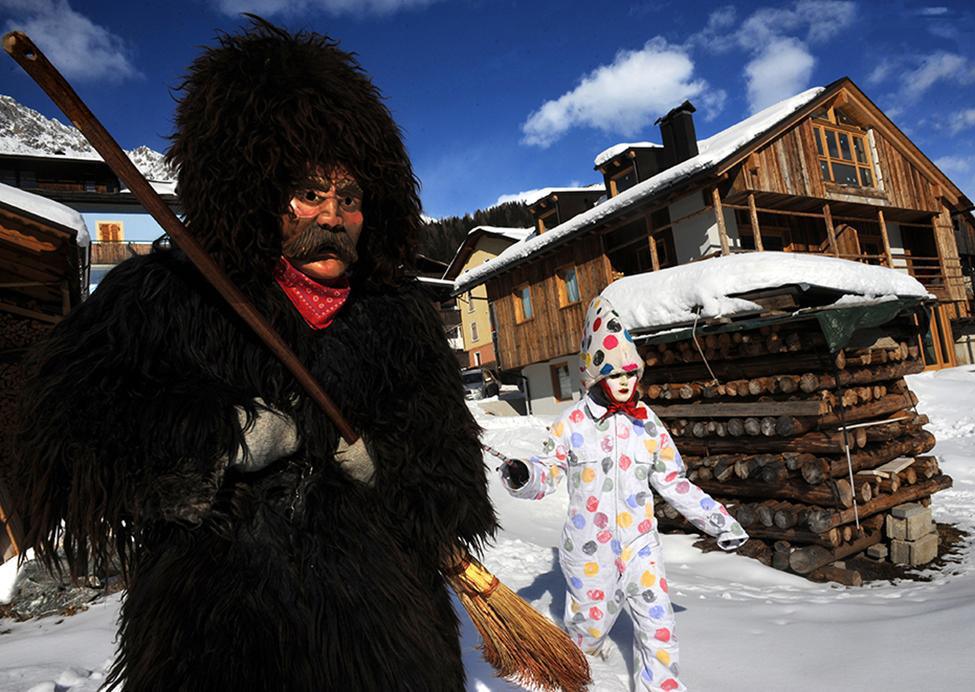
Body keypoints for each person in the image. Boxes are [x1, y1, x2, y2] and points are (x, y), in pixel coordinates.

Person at [10, 18, 496, 690]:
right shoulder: (168, 297)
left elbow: (460, 492)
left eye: (348, 198)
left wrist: (388, 466)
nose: (332, 216)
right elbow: (59, 438)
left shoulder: (401, 320)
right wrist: (209, 438)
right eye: (310, 194)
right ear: (255, 193)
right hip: (213, 647)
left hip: (384, 648)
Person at [500, 296, 747, 692]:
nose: (625, 381)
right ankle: (586, 666)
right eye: (615, 373)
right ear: (595, 375)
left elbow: (674, 482)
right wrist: (524, 474)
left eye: (631, 373)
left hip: (639, 544)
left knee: (658, 624)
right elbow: (546, 471)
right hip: (587, 549)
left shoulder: (646, 423)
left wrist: (719, 521)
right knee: (589, 628)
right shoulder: (573, 424)